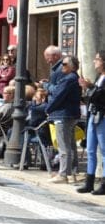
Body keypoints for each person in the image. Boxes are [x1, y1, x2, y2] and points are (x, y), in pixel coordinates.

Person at [45, 55, 82, 184]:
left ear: (72, 66)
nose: (62, 66)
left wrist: (48, 109)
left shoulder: (68, 79)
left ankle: (63, 174)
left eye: (65, 64)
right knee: (70, 145)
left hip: (63, 115)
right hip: (69, 115)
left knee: (64, 146)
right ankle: (71, 173)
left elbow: (58, 95)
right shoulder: (74, 78)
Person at [79, 50, 105, 195]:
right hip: (92, 115)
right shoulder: (98, 77)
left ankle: (104, 183)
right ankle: (89, 182)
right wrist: (87, 89)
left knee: (104, 149)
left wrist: (90, 87)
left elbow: (101, 95)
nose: (95, 61)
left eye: (98, 59)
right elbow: (92, 97)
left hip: (102, 117)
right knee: (90, 149)